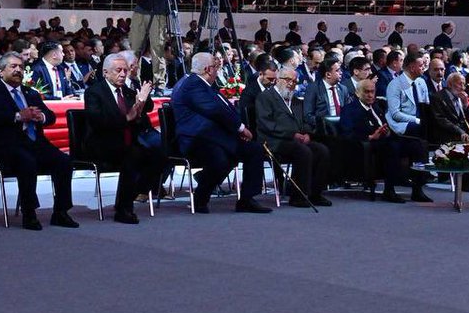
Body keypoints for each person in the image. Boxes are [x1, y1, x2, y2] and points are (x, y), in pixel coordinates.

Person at [0, 52, 79, 230]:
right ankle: (29, 213)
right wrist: (17, 116)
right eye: (13, 67)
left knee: (64, 161)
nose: (18, 70)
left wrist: (41, 117)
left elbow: (51, 116)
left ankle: (61, 212)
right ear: (1, 71)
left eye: (21, 67)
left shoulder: (30, 93)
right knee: (27, 161)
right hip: (4, 145)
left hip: (35, 143)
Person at [170, 52, 271, 214]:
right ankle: (201, 197)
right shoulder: (192, 84)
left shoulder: (204, 84)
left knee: (254, 150)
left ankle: (247, 198)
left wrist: (237, 127)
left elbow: (224, 107)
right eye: (216, 67)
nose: (218, 70)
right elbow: (215, 110)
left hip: (215, 136)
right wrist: (240, 128)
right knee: (221, 158)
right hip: (196, 138)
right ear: (208, 69)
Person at [82, 54, 166, 224]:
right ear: (105, 72)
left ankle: (133, 194)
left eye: (125, 71)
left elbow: (138, 117)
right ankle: (124, 209)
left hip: (126, 141)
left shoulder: (127, 91)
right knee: (133, 156)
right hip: (102, 142)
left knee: (159, 154)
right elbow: (98, 121)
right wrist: (127, 118)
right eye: (118, 70)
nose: (122, 74)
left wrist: (140, 103)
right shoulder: (94, 92)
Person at [339, 77, 430, 203]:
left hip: (385, 140)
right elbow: (347, 134)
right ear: (358, 93)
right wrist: (370, 137)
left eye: (372, 91)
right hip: (366, 144)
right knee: (392, 147)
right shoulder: (350, 110)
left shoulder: (377, 107)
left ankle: (417, 190)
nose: (370, 95)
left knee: (418, 145)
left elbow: (386, 126)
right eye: (367, 92)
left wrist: (386, 132)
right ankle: (389, 190)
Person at [255, 66, 332, 208]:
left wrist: (307, 133)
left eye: (294, 81)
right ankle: (298, 195)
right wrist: (292, 134)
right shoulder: (265, 97)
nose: (291, 84)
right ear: (278, 80)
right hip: (275, 141)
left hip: (297, 139)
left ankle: (315, 193)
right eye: (287, 80)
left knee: (322, 150)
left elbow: (305, 122)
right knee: (303, 151)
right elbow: (267, 124)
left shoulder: (296, 101)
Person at [429, 72, 469, 191]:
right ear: (450, 84)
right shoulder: (438, 97)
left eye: (464, 84)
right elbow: (441, 120)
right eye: (460, 84)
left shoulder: (460, 98)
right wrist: (459, 131)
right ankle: (466, 182)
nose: (463, 87)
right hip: (447, 133)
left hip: (463, 131)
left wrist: (466, 105)